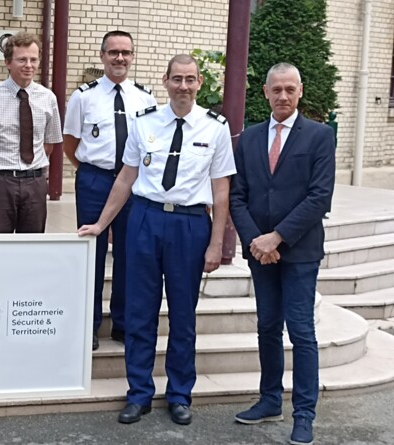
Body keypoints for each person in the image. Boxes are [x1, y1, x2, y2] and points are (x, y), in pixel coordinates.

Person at [78, 54, 235, 426]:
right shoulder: (144, 123)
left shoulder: (215, 128)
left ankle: (180, 394)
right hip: (145, 221)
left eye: (190, 80)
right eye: (176, 79)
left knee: (183, 316)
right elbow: (125, 179)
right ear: (165, 81)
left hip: (190, 225)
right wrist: (101, 225)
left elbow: (222, 191)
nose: (183, 86)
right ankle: (139, 393)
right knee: (139, 312)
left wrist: (217, 244)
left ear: (199, 84)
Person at [230, 63, 335, 445]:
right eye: (277, 89)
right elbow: (238, 196)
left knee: (302, 332)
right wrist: (257, 240)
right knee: (267, 327)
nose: (283, 96)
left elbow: (319, 196)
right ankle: (270, 399)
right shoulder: (251, 138)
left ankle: (304, 414)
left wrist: (277, 237)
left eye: (290, 89)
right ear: (265, 92)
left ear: (300, 91)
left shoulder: (320, 137)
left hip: (299, 251)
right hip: (261, 252)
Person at [63, 30, 157, 351]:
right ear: (102, 56)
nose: (120, 58)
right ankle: (89, 325)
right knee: (92, 251)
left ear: (132, 57)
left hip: (133, 183)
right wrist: (90, 172)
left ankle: (123, 323)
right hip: (94, 181)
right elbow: (71, 142)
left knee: (130, 253)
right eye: (113, 52)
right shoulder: (83, 96)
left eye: (126, 53)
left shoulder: (145, 98)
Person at [0, 32, 63, 233]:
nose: (28, 65)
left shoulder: (48, 98)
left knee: (32, 247)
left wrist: (34, 170)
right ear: (8, 62)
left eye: (33, 59)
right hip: (0, 184)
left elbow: (49, 143)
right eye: (21, 59)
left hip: (35, 183)